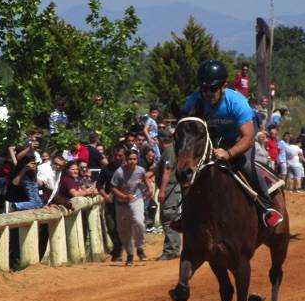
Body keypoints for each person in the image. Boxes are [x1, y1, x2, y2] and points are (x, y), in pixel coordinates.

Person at [182, 59, 283, 228]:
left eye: (213, 88)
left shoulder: (237, 103)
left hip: (239, 140)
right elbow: (185, 124)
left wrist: (228, 154)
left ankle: (267, 208)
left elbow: (248, 138)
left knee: (249, 167)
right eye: (204, 88)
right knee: (187, 171)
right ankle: (183, 213)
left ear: (223, 86)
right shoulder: (194, 100)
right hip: (211, 141)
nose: (207, 93)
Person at [110, 148, 154, 265]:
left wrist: (149, 188)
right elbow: (113, 188)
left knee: (139, 222)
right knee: (124, 231)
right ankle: (130, 254)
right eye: (130, 159)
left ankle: (140, 248)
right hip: (121, 203)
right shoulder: (119, 172)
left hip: (136, 199)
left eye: (134, 159)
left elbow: (145, 179)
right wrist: (123, 197)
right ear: (126, 159)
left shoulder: (141, 170)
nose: (132, 161)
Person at [97, 145, 126, 262]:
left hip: (124, 203)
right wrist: (105, 196)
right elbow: (99, 185)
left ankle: (118, 251)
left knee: (121, 228)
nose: (118, 158)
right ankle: (117, 247)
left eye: (120, 155)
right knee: (111, 228)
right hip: (111, 202)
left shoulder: (127, 169)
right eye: (116, 155)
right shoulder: (106, 169)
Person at [155, 129, 181, 260]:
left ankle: (171, 250)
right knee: (170, 218)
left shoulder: (169, 151)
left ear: (161, 140)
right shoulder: (171, 150)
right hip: (172, 189)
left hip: (170, 190)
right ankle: (173, 249)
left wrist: (162, 190)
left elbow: (167, 171)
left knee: (168, 219)